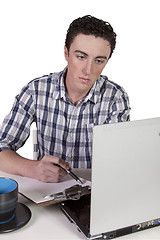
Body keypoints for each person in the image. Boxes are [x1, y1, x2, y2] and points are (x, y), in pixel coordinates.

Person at [0, 15, 130, 183]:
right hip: (47, 193)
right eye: (81, 57)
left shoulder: (115, 98)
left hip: (95, 193)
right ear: (66, 53)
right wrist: (32, 168)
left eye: (98, 60)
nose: (88, 70)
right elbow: (2, 145)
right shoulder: (36, 90)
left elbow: (118, 163)